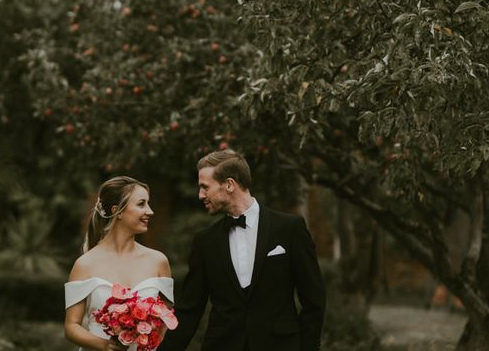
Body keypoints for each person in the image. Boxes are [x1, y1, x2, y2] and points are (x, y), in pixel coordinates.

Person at [160, 149, 325, 351]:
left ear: (229, 184)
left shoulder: (289, 229)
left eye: (205, 187)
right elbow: (189, 310)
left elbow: (314, 302)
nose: (200, 195)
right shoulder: (205, 242)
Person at [64, 176, 174, 351]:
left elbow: (167, 320)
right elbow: (71, 327)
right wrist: (105, 345)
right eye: (141, 204)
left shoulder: (159, 261)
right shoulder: (84, 264)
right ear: (118, 211)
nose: (150, 211)